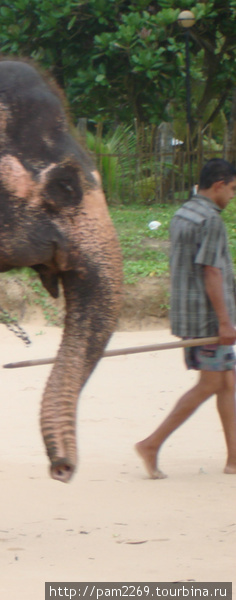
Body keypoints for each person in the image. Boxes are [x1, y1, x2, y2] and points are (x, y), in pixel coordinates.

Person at [136, 158, 236, 478]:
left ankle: (234, 458)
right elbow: (211, 271)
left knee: (227, 383)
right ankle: (151, 444)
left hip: (188, 313)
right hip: (207, 319)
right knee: (211, 384)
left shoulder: (183, 213)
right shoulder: (211, 220)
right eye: (232, 189)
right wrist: (224, 322)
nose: (233, 196)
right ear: (219, 185)